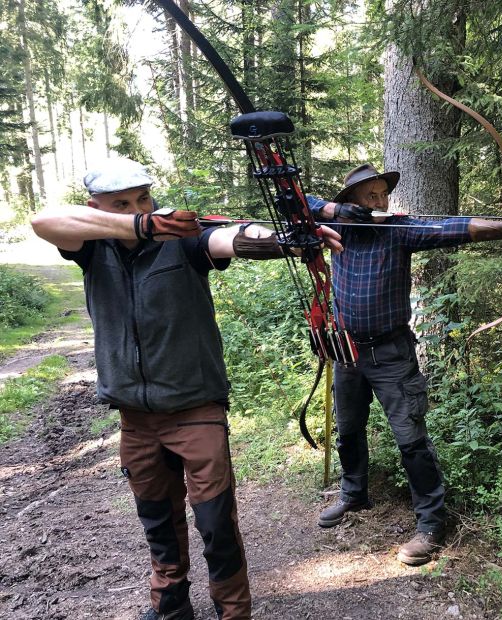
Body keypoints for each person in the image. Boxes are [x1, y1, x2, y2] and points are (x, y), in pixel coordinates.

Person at [30, 157, 342, 620]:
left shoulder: (185, 239)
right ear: (97, 207)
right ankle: (171, 605)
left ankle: (233, 612)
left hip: (196, 410)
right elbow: (43, 220)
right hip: (135, 417)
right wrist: (137, 224)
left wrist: (284, 239)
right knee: (158, 521)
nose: (140, 207)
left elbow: (230, 237)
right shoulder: (92, 247)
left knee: (215, 522)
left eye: (144, 198)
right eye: (122, 203)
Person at [307, 163, 502, 566]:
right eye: (370, 196)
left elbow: (450, 229)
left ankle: (431, 523)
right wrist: (330, 212)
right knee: (347, 430)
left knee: (411, 440)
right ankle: (354, 493)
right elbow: (291, 205)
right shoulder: (336, 229)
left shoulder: (397, 230)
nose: (380, 202)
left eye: (383, 194)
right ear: (350, 202)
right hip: (346, 351)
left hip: (391, 354)